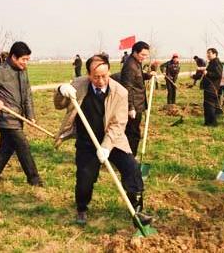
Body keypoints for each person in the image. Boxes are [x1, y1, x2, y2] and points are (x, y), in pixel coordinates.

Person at [54, 55, 153, 226]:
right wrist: (60, 90)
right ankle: (82, 208)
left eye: (104, 76)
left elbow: (118, 123)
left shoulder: (120, 92)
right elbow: (59, 104)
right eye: (96, 76)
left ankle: (137, 210)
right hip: (87, 142)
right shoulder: (78, 85)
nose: (101, 80)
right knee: (85, 177)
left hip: (113, 141)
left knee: (132, 168)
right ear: (88, 74)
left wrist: (106, 147)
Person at [0, 41, 42, 187]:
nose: (26, 63)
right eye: (23, 59)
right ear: (14, 57)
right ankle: (34, 179)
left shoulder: (23, 71)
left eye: (27, 60)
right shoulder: (0, 70)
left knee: (6, 148)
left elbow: (27, 94)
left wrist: (31, 115)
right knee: (23, 145)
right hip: (5, 117)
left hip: (17, 116)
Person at [119, 41, 153, 156]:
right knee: (133, 133)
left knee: (133, 131)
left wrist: (148, 75)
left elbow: (138, 76)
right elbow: (127, 87)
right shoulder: (130, 65)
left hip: (138, 103)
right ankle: (130, 158)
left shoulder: (136, 62)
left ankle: (129, 156)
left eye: (146, 55)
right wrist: (130, 107)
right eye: (142, 55)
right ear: (135, 52)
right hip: (134, 105)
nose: (144, 57)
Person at [202, 48, 223, 126]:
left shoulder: (216, 63)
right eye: (207, 53)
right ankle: (208, 122)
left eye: (209, 53)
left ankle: (213, 123)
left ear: (215, 54)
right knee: (207, 105)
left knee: (210, 105)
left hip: (212, 87)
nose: (208, 54)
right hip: (208, 87)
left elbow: (218, 74)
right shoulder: (211, 62)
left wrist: (207, 73)